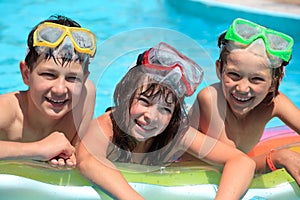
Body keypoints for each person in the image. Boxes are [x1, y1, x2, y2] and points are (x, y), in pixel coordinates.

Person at [77, 42, 255, 200]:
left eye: (165, 109)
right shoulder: (107, 125)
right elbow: (88, 160)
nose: (151, 116)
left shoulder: (175, 133)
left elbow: (242, 162)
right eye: (145, 101)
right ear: (125, 95)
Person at [188, 18, 300, 183]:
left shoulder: (274, 103)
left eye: (256, 79)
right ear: (219, 69)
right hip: (182, 169)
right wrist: (279, 158)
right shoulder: (210, 98)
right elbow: (233, 165)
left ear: (275, 81)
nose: (242, 88)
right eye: (234, 75)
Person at [0, 15, 97, 167]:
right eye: (48, 75)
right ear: (26, 74)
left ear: (83, 80)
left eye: (73, 78)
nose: (60, 89)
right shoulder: (7, 110)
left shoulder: (85, 96)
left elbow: (79, 157)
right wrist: (37, 149)